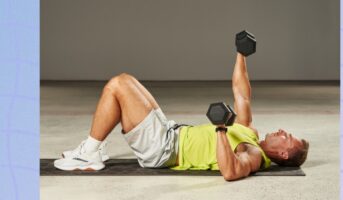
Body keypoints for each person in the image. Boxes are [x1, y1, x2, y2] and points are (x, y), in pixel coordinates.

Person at [54, 53, 309, 181]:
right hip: (171, 131)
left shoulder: (254, 154)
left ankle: (89, 152)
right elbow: (242, 95)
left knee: (118, 84)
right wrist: (242, 54)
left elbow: (231, 171)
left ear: (283, 154)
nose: (282, 131)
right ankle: (93, 148)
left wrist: (221, 129)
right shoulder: (250, 132)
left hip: (164, 149)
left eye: (287, 138)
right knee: (126, 82)